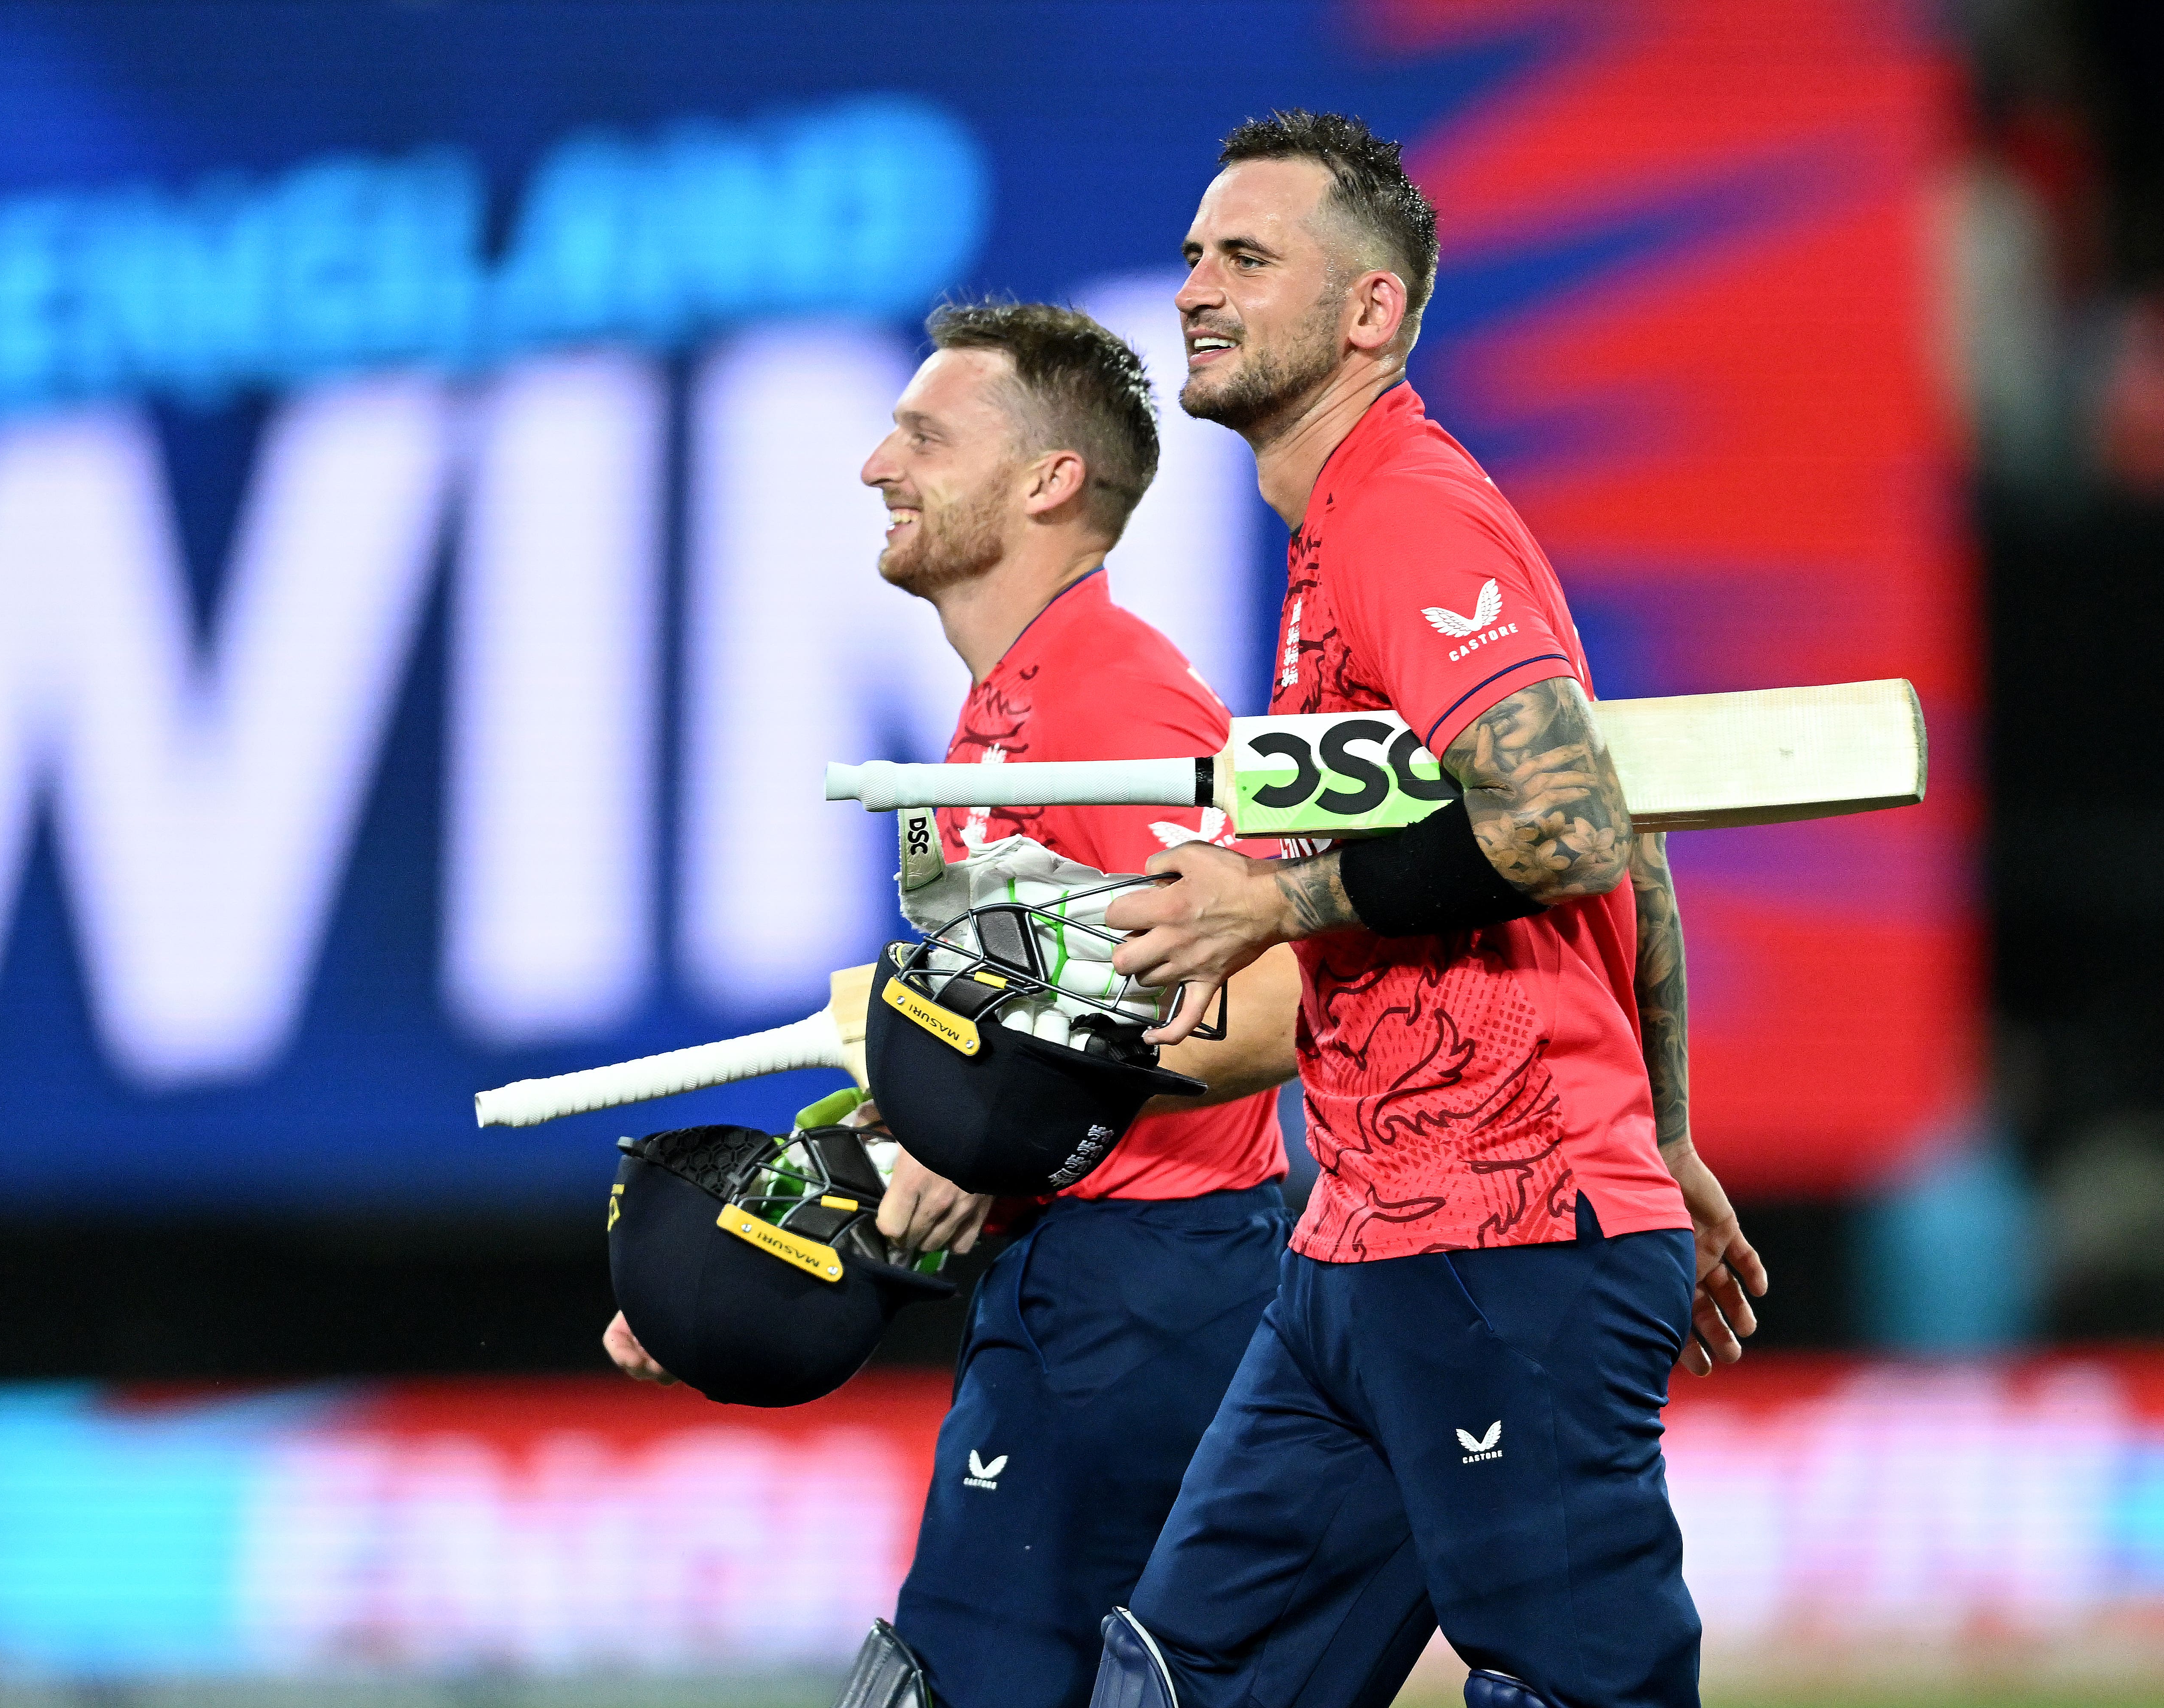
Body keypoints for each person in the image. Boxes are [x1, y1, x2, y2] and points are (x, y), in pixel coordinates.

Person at [1091, 112, 1771, 1708]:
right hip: (1371, 1243)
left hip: (1507, 1233)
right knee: (1186, 1688)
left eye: (1247, 259)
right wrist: (1664, 1132)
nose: (1197, 285)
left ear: (1371, 313)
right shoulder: (1343, 534)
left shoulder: (1406, 510)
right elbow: (1635, 829)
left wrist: (1272, 897)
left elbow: (1568, 822)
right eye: (1195, 253)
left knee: (1569, 1691)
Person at [605, 300, 1303, 1708]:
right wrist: (794, 1214)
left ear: (1050, 480)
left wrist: (973, 1134)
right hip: (1089, 1285)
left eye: (924, 434)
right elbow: (1024, 1042)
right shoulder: (1000, 717)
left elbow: (1281, 1004)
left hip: (1156, 1290)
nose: (877, 464)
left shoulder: (1114, 705)